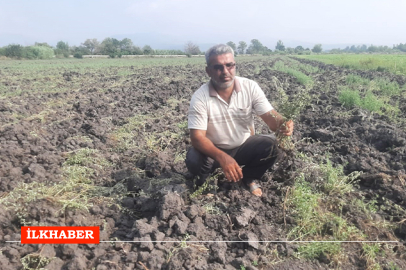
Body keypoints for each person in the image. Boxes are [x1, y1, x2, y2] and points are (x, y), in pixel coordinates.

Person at [185, 44, 293, 197]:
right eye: (218, 67)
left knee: (273, 145)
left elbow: (271, 118)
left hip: (243, 147)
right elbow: (197, 138)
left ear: (234, 65)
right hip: (214, 152)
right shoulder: (200, 97)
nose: (225, 72)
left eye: (229, 65)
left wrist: (283, 124)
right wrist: (223, 157)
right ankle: (205, 184)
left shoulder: (250, 87)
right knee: (194, 158)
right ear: (208, 71)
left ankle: (249, 177)